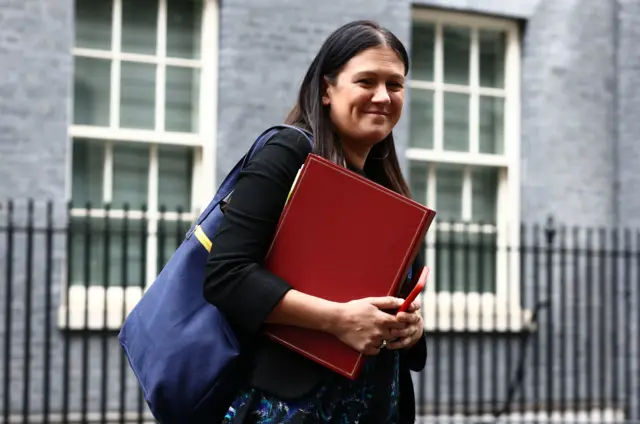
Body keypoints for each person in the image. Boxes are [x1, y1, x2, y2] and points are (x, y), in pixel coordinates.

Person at [203, 19, 427, 424]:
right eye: (366, 81)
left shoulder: (393, 190)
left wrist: (410, 330)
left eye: (395, 85)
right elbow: (226, 275)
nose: (383, 96)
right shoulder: (287, 152)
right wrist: (339, 320)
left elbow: (388, 304)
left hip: (377, 404)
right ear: (327, 90)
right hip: (292, 406)